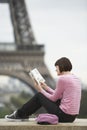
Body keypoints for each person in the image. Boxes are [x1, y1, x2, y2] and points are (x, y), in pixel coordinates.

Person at [5, 57, 81, 122]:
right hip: (72, 117)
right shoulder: (75, 78)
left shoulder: (63, 79)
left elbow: (54, 98)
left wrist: (40, 89)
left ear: (61, 67)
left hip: (63, 116)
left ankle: (20, 114)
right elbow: (59, 96)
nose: (55, 70)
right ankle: (23, 114)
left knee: (39, 96)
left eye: (56, 68)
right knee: (42, 95)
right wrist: (46, 87)